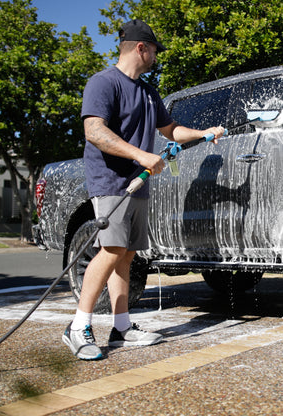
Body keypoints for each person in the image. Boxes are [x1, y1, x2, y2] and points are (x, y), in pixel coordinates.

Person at [62, 19, 225, 360]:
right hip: (111, 182)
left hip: (139, 182)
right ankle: (78, 326)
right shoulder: (104, 83)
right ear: (141, 48)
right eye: (153, 50)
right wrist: (141, 155)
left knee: (126, 254)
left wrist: (203, 133)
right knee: (111, 249)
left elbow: (171, 130)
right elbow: (94, 131)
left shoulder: (149, 93)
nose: (155, 56)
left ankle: (121, 327)